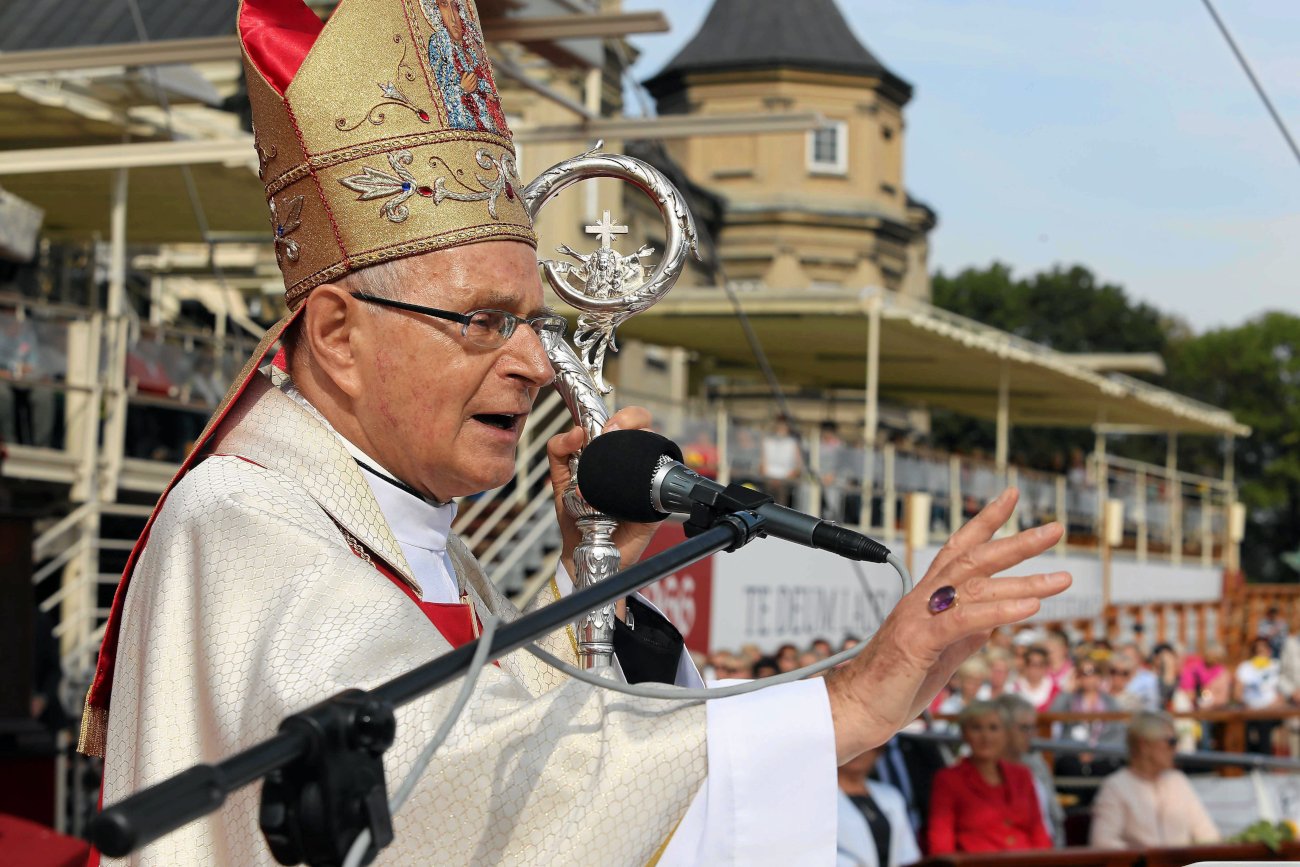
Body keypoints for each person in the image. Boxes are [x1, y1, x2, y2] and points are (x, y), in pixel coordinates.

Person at [80, 0, 1072, 863]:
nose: (529, 362)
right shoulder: (248, 518)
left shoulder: (406, 529)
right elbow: (447, 803)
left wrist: (589, 580)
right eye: (481, 322)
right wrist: (847, 704)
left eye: (530, 322)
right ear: (338, 334)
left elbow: (506, 734)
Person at [927, 701, 1053, 855]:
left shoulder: (1022, 775)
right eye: (976, 728)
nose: (985, 736)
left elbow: (1038, 832)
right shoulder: (948, 780)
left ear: (1006, 734)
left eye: (993, 728)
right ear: (964, 734)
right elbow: (941, 841)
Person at [1089, 711, 1220, 848]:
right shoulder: (1115, 787)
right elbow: (1102, 843)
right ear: (1144, 745)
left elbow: (1209, 836)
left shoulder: (1178, 781)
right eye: (1171, 742)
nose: (1176, 749)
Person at [994, 693, 1063, 847]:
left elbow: (1053, 818)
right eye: (1024, 728)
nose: (1032, 734)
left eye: (1033, 727)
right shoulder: (984, 766)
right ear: (1003, 728)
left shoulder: (1036, 763)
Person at [837, 746, 921, 867]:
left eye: (867, 746)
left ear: (879, 751)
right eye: (853, 745)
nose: (858, 753)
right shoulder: (816, 798)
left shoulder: (891, 796)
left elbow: (907, 853)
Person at [1234, 636, 1283, 753]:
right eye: (1256, 651)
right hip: (1249, 710)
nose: (1259, 654)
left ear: (1269, 651)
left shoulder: (1276, 666)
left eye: (1262, 650)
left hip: (1271, 711)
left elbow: (1283, 693)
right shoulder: (1245, 667)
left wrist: (1273, 705)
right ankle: (1247, 764)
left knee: (1264, 723)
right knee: (1242, 726)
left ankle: (1265, 763)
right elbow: (1237, 693)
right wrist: (1247, 705)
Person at [1010, 645, 1058, 711]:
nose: (1036, 669)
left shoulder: (1055, 691)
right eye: (1032, 664)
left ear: (1046, 667)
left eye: (1040, 665)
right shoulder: (1014, 689)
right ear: (1025, 666)